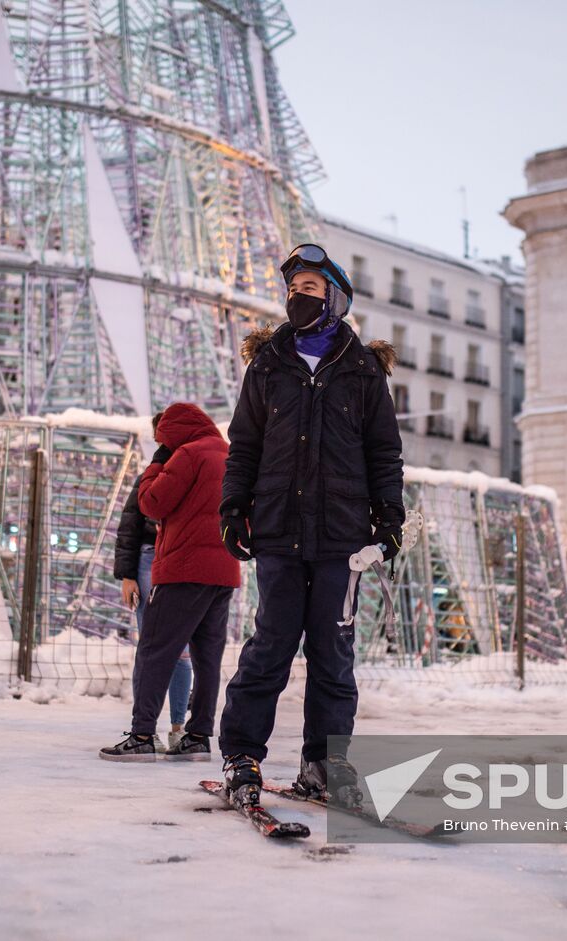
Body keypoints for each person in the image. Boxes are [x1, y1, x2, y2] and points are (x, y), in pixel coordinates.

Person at [216, 243, 404, 803]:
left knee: (332, 654)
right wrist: (232, 509)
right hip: (276, 529)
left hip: (342, 538)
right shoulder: (268, 365)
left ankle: (324, 765)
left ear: (336, 299)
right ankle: (241, 757)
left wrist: (389, 518)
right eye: (293, 289)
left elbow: (383, 453)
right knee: (270, 646)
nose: (299, 298)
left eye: (311, 289)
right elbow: (244, 446)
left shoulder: (363, 370)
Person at [100, 403, 238, 761]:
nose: (161, 444)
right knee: (208, 657)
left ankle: (142, 734)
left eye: (163, 439)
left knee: (155, 650)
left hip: (183, 569)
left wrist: (157, 462)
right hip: (223, 570)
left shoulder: (187, 455)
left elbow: (151, 503)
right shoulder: (228, 454)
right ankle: (198, 736)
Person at [113, 412, 193, 749]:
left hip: (179, 558)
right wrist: (127, 574)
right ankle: (148, 729)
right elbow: (131, 522)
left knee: (177, 650)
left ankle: (173, 727)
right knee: (156, 647)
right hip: (152, 556)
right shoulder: (155, 472)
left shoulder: (195, 465)